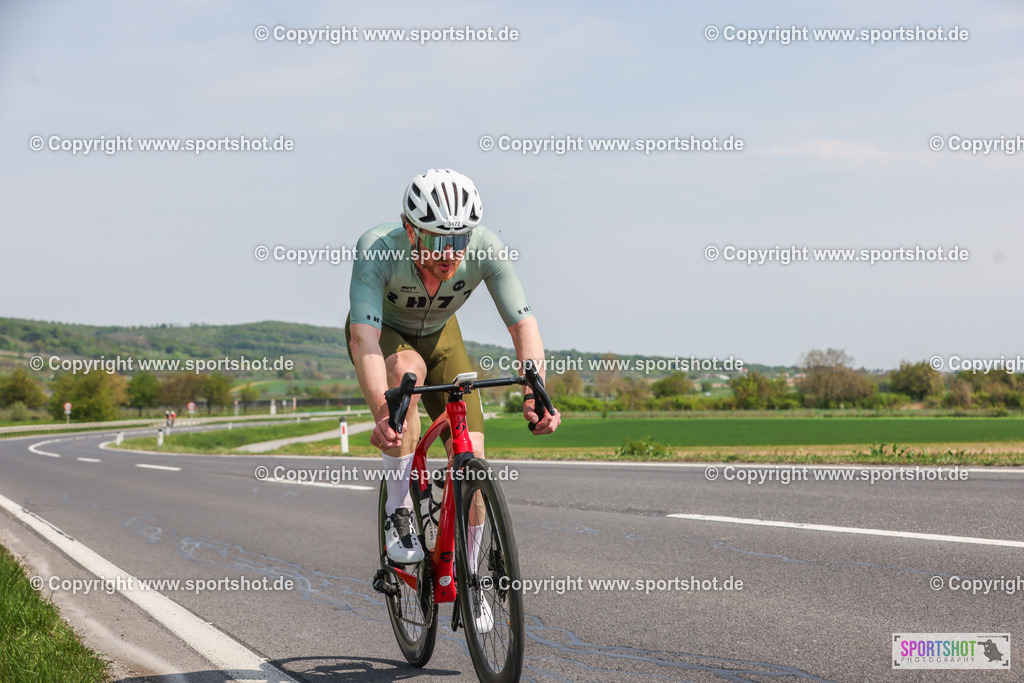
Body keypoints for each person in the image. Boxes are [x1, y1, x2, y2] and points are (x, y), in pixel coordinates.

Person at [347, 169, 561, 626]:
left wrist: (533, 392)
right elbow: (363, 339)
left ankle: (471, 576)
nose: (450, 253)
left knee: (474, 453)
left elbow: (523, 326)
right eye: (437, 239)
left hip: (442, 335)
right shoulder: (376, 249)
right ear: (409, 229)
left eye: (459, 238)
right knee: (407, 380)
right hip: (386, 336)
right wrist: (383, 413)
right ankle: (398, 510)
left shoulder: (485, 248)